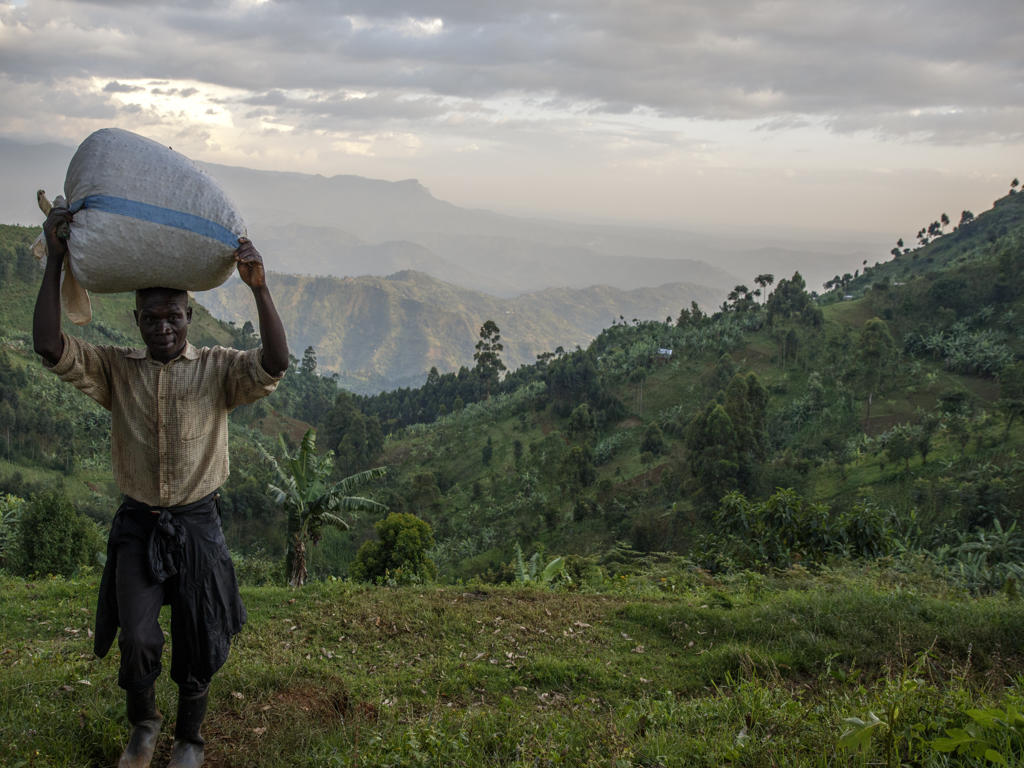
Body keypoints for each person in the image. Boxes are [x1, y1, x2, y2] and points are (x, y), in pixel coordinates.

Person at [32, 204, 289, 768]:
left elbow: (274, 363)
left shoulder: (218, 369)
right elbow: (50, 347)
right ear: (137, 321)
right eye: (152, 318)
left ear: (189, 317)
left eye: (173, 316)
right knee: (139, 636)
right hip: (139, 524)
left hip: (198, 523)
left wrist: (260, 291)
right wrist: (55, 259)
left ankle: (191, 738)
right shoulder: (116, 370)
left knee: (198, 637)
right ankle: (144, 726)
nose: (164, 327)